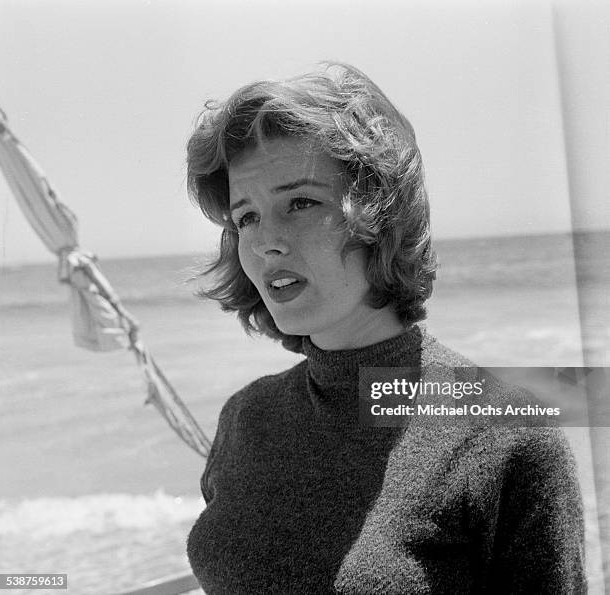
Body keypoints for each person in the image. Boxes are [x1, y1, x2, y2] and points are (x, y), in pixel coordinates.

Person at [185, 63, 586, 594]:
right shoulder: (247, 417)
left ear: (381, 218)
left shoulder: (506, 434)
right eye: (246, 217)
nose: (265, 242)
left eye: (301, 203)